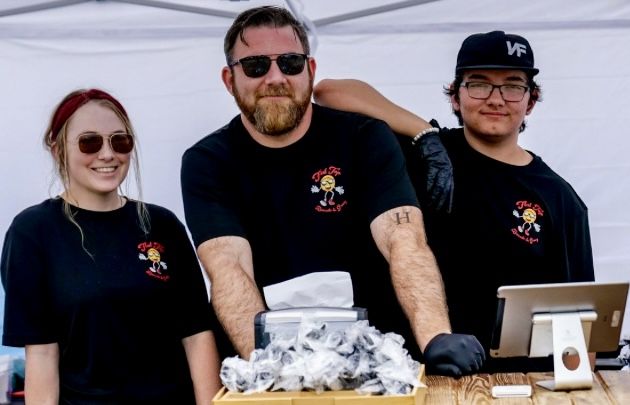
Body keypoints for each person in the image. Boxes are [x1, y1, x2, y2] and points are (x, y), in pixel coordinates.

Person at [180, 5, 485, 378]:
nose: (275, 77)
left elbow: (403, 239)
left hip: (380, 368)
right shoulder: (207, 161)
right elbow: (229, 269)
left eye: (290, 63)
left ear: (310, 70)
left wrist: (436, 336)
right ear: (230, 80)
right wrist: (273, 370)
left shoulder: (365, 137)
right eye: (256, 66)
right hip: (279, 372)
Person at [313, 30, 595, 372]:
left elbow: (581, 325)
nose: (495, 98)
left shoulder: (559, 198)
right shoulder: (419, 152)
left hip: (508, 383)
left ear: (530, 101)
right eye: (479, 84)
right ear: (455, 97)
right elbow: (328, 92)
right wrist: (424, 135)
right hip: (407, 374)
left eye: (512, 85)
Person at [1, 89, 222, 403]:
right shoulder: (33, 232)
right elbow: (41, 355)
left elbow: (197, 336)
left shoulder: (162, 225)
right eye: (89, 142)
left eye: (120, 141)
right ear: (56, 149)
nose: (107, 154)